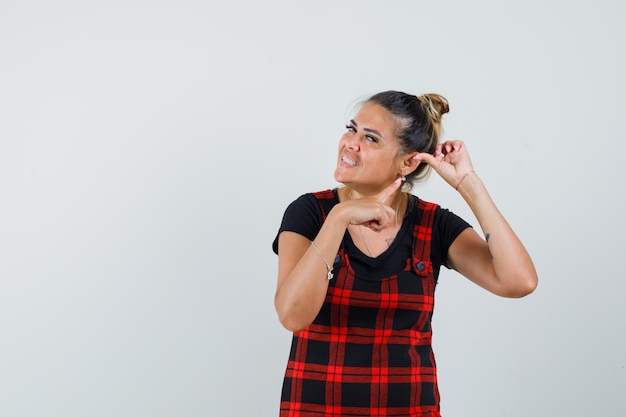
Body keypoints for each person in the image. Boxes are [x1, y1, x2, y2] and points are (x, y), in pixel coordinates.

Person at [272, 90, 537, 417]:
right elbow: (292, 315)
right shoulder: (310, 213)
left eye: (370, 138)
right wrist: (339, 218)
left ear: (409, 161)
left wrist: (468, 183)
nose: (350, 143)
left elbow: (519, 281)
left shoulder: (433, 224)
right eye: (351, 129)